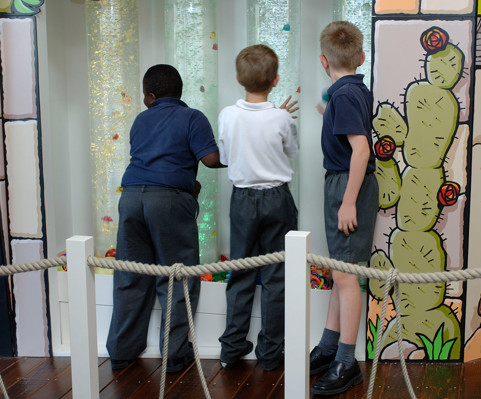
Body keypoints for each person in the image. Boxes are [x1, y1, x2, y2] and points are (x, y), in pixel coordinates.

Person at [106, 64, 223, 373]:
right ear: (180, 93)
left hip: (131, 197)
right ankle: (174, 355)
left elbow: (153, 161)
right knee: (177, 276)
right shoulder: (192, 117)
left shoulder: (141, 119)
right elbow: (210, 160)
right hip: (169, 202)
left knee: (131, 274)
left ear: (150, 97)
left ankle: (120, 351)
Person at [217, 44, 299, 371]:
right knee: (277, 276)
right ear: (276, 79)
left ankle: (231, 350)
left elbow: (223, 158)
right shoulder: (281, 116)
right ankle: (270, 355)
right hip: (278, 199)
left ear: (238, 78)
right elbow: (290, 150)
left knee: (240, 273)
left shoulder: (226, 114)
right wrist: (278, 116)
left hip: (242, 200)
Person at [310, 21, 378, 396]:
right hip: (342, 182)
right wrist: (327, 111)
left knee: (347, 274)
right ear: (361, 56)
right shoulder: (349, 92)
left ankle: (346, 362)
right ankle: (329, 347)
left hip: (347, 185)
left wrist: (349, 200)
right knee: (340, 270)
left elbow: (361, 150)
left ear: (324, 61)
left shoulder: (347, 95)